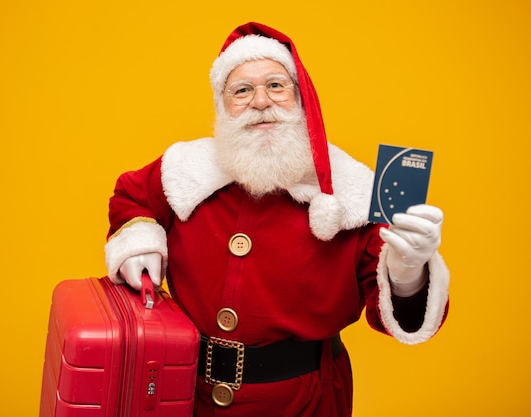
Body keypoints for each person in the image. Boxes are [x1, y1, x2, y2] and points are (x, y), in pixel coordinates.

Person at [104, 22, 449, 417]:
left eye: (276, 85)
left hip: (307, 401)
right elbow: (133, 196)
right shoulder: (185, 166)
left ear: (300, 98)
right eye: (242, 90)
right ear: (223, 105)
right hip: (186, 397)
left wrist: (407, 275)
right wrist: (140, 239)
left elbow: (394, 315)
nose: (260, 101)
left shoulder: (352, 190)